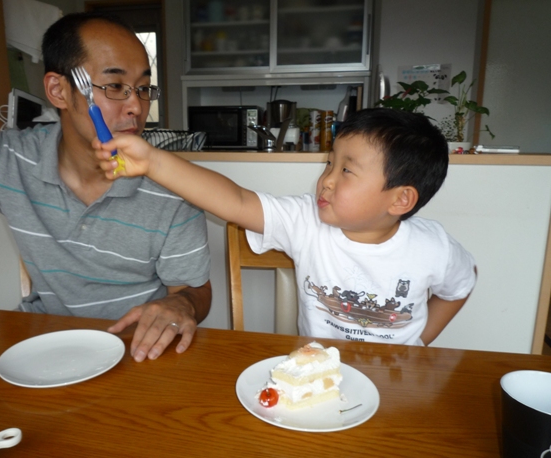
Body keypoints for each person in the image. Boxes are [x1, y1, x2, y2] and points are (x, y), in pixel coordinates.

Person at [0, 12, 212, 362]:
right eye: (115, 86)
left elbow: (194, 291)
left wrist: (182, 303)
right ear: (58, 91)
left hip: (139, 352)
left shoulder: (171, 184)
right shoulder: (8, 159)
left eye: (143, 88)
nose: (136, 106)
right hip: (44, 348)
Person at [95, 108, 477, 346]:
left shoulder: (434, 248)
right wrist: (154, 162)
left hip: (398, 383)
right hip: (318, 376)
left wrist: (420, 342)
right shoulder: (305, 221)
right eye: (329, 164)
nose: (326, 180)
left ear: (400, 200)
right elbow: (236, 201)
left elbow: (461, 284)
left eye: (346, 170)